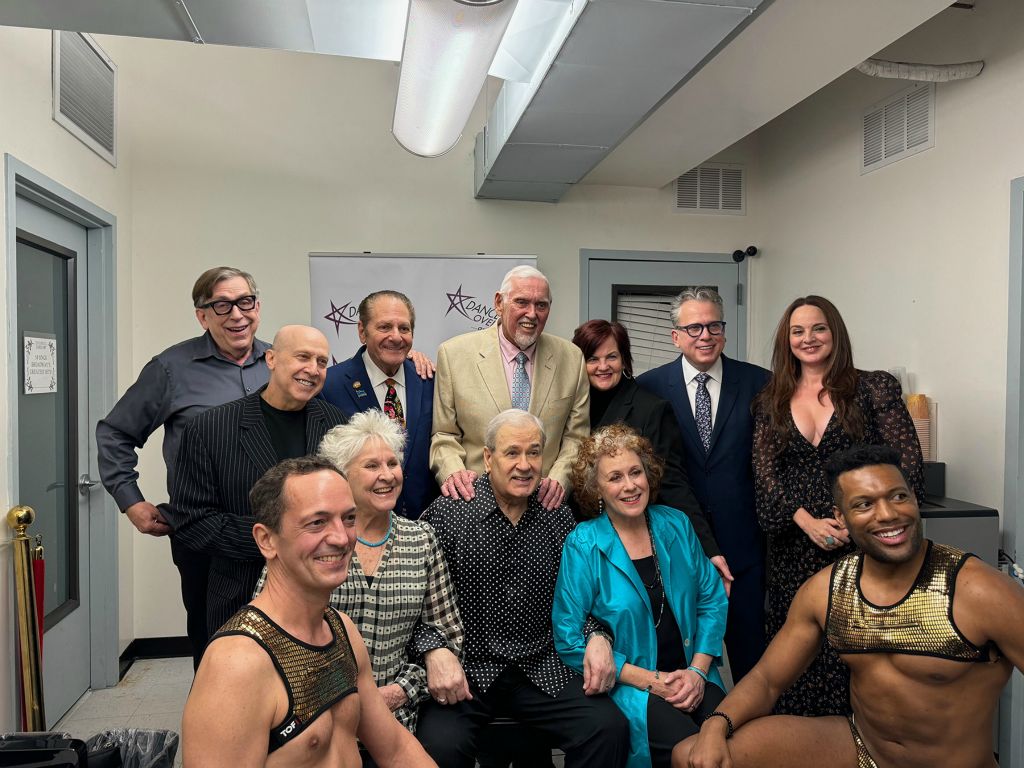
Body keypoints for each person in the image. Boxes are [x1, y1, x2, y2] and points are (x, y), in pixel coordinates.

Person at [674, 444, 1024, 768]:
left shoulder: (978, 590)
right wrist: (715, 726)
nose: (887, 514)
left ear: (915, 500)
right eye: (864, 504)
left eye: (898, 496)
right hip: (863, 748)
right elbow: (767, 680)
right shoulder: (825, 589)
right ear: (840, 517)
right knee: (690, 754)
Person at [182, 456, 437, 768]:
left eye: (348, 518)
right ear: (266, 540)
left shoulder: (340, 630)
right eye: (317, 522)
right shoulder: (238, 663)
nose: (341, 538)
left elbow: (396, 749)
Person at [414, 409, 630, 768]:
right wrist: (434, 650)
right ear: (487, 457)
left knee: (608, 728)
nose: (525, 464)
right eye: (512, 452)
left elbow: (583, 597)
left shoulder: (556, 514)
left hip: (541, 667)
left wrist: (597, 637)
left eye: (534, 452)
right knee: (438, 747)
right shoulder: (449, 513)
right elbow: (414, 601)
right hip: (470, 670)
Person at [751, 295, 924, 716]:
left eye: (818, 328)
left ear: (836, 333)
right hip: (795, 550)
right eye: (798, 331)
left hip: (864, 547)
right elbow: (764, 475)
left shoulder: (873, 387)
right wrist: (805, 520)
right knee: (798, 660)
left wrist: (857, 519)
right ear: (786, 339)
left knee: (864, 659)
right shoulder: (771, 398)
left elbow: (905, 467)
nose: (808, 338)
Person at [96, 266, 270, 668]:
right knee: (216, 643)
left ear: (258, 306)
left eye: (246, 302)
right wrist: (131, 501)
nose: (237, 315)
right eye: (222, 305)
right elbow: (115, 433)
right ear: (202, 315)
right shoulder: (171, 369)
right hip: (204, 531)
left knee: (284, 639)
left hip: (276, 532)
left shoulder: (279, 362)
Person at [553, 425, 728, 768]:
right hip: (635, 687)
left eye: (636, 472)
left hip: (695, 674)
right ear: (596, 489)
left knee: (732, 743)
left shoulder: (675, 524)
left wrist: (696, 671)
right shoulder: (583, 543)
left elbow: (711, 599)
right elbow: (568, 636)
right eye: (615, 477)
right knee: (692, 753)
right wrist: (654, 682)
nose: (630, 485)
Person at [165, 325, 348, 642]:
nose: (313, 369)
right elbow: (192, 521)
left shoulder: (336, 425)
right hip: (240, 597)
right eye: (303, 357)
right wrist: (280, 542)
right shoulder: (211, 428)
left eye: (321, 362)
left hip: (324, 603)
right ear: (272, 359)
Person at [636, 287, 769, 683]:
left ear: (724, 331)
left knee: (754, 665)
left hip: (747, 550)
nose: (705, 335)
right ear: (675, 335)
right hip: (679, 552)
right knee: (684, 667)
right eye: (694, 327)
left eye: (714, 325)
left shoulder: (760, 384)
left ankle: (758, 743)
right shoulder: (648, 388)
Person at [314, 410, 463, 738]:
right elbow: (273, 634)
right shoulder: (313, 539)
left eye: (392, 464)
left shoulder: (421, 539)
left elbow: (448, 632)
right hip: (319, 719)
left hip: (396, 721)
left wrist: (401, 691)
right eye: (371, 466)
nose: (387, 475)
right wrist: (350, 699)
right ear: (342, 475)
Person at [431, 265, 589, 512]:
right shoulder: (454, 355)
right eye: (522, 302)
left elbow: (577, 437)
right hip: (475, 504)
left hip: (544, 507)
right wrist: (454, 473)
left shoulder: (571, 359)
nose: (532, 313)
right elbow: (444, 435)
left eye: (541, 305)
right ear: (498, 303)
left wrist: (560, 478)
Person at [572, 319, 722, 563]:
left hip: (632, 543)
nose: (603, 366)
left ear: (624, 360)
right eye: (592, 359)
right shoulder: (572, 408)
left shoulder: (651, 409)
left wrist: (708, 549)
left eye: (612, 357)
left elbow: (674, 485)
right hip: (579, 538)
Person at [321, 290, 439, 518]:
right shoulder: (330, 386)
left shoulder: (430, 380)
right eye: (384, 327)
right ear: (362, 331)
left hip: (425, 525)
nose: (396, 337)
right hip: (359, 528)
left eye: (404, 328)